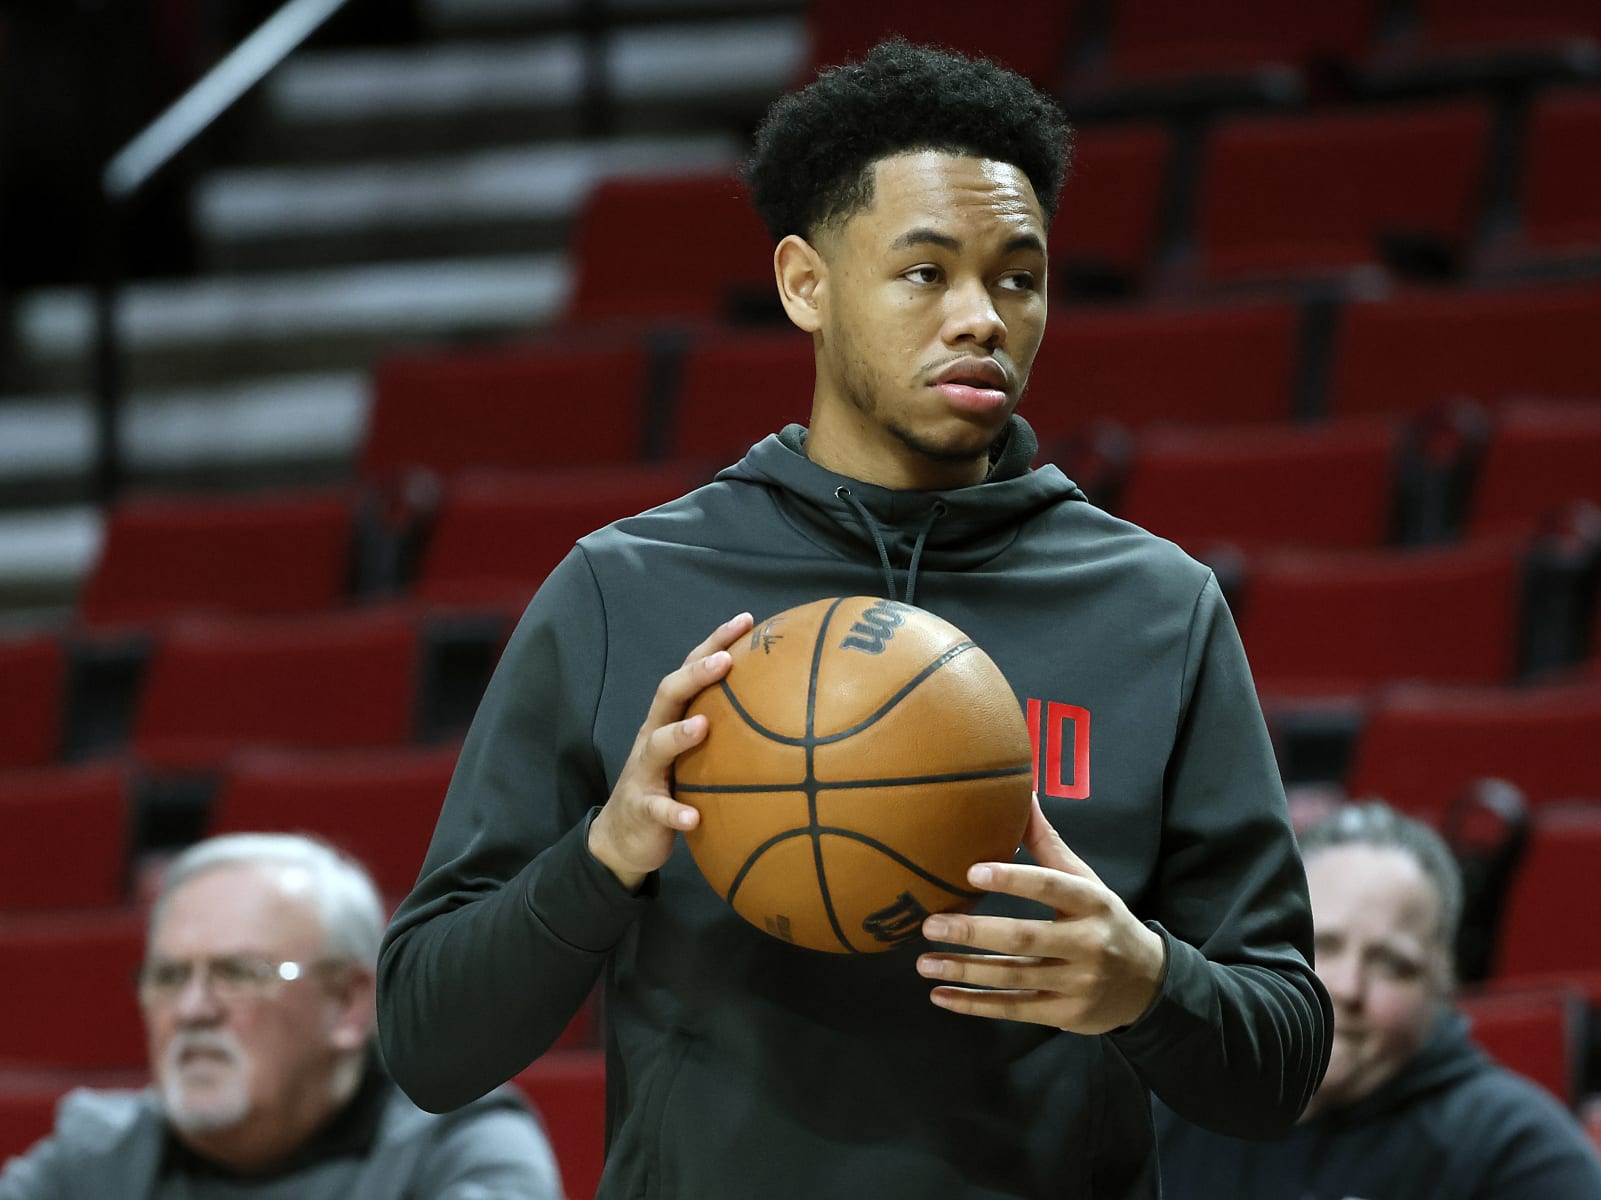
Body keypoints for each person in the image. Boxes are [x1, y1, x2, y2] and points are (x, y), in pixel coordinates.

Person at [377, 39, 1330, 1199]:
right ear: (804, 284)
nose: (982, 317)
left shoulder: (1154, 609)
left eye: (1019, 277)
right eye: (926, 273)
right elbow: (428, 1041)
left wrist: (1146, 983)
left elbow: (1282, 1062)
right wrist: (607, 855)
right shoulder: (624, 591)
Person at [0, 833, 561, 1199]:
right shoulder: (98, 1153)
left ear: (347, 1003)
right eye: (169, 977)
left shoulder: (459, 1142)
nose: (193, 1009)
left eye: (240, 974)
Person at [1158, 802, 1601, 1199]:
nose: (1347, 987)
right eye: (1323, 946)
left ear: (1442, 987)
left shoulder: (1515, 1148)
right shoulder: (1169, 1110)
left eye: (1391, 964)